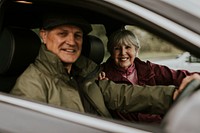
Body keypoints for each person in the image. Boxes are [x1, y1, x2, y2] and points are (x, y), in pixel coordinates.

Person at [10, 13, 190, 122]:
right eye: (62, 34)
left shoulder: (85, 74)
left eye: (78, 35)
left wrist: (172, 96)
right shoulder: (31, 84)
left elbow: (122, 95)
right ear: (43, 36)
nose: (71, 42)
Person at [99, 29, 200, 123]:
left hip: (158, 124)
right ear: (111, 53)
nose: (123, 52)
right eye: (117, 48)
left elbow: (177, 76)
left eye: (128, 47)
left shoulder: (148, 69)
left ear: (136, 51)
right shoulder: (103, 75)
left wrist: (195, 77)